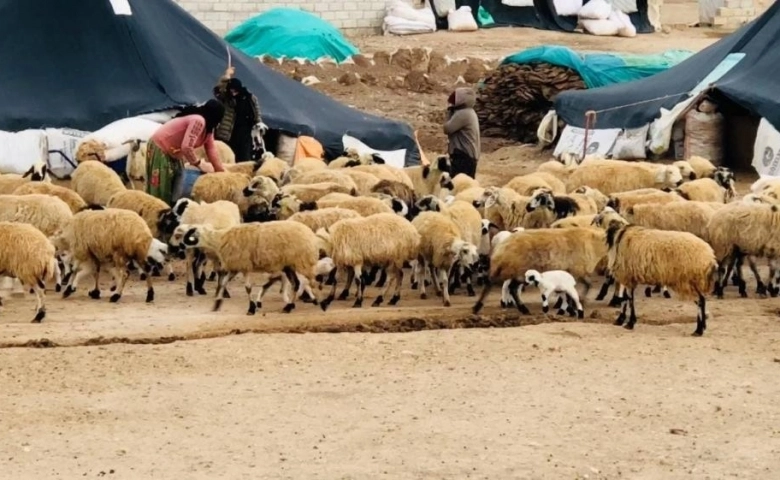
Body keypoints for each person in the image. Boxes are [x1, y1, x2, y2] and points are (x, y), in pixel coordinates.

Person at [145, 99, 226, 206]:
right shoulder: (198, 121)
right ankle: (159, 211)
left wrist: (219, 170)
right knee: (163, 185)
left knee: (177, 181)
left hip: (175, 152)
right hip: (161, 146)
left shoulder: (209, 129)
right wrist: (199, 164)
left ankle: (173, 207)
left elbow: (211, 149)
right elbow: (187, 147)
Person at [214, 66, 262, 161]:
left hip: (244, 133)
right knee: (226, 158)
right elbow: (218, 89)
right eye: (231, 90)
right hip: (228, 133)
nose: (233, 93)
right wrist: (227, 76)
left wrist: (259, 124)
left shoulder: (250, 98)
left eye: (235, 90)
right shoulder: (226, 98)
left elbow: (256, 111)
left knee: (243, 158)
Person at [443, 87, 481, 178]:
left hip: (463, 155)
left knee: (458, 184)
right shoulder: (470, 112)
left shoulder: (463, 114)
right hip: (469, 155)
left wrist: (449, 113)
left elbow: (447, 129)